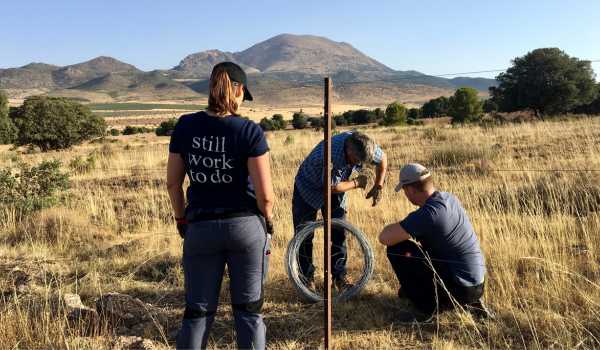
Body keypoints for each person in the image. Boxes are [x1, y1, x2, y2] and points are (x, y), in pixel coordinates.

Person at [167, 61, 274, 349]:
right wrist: (270, 221)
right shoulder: (250, 131)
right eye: (242, 94)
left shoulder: (186, 126)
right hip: (245, 227)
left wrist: (181, 219)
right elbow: (266, 196)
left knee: (197, 312)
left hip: (200, 227)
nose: (242, 101)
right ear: (237, 89)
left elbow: (173, 184)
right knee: (249, 312)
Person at [378, 163, 492, 321]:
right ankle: (470, 302)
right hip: (477, 285)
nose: (406, 194)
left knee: (398, 249)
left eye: (404, 190)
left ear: (410, 189)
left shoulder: (428, 215)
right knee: (420, 249)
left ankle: (426, 309)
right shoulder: (449, 198)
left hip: (459, 289)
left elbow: (384, 238)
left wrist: (404, 225)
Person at [293, 131, 387, 290]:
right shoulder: (331, 155)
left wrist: (379, 186)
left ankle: (339, 277)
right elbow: (331, 187)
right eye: (357, 161)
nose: (360, 164)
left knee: (339, 231)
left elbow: (383, 159)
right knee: (304, 234)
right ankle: (306, 279)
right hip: (308, 189)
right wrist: (357, 182)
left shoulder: (364, 146)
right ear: (349, 151)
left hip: (336, 188)